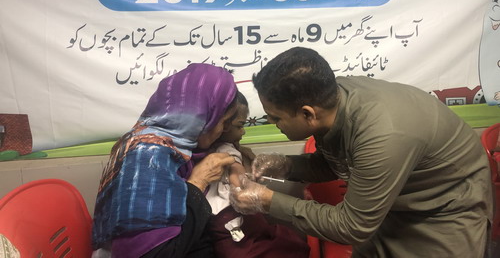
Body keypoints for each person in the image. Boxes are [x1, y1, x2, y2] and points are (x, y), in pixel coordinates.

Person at [230, 46, 494, 258]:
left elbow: (351, 227)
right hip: (391, 205)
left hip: (444, 210)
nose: (275, 126)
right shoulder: (331, 98)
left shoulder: (383, 134)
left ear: (308, 114)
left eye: (276, 119)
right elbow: (338, 162)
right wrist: (286, 165)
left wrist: (266, 200)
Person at [92, 63, 238, 258]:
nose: (224, 130)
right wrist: (197, 183)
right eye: (223, 121)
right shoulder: (147, 157)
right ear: (203, 116)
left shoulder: (172, 142)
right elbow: (156, 254)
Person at [206, 91, 310, 258]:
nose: (243, 133)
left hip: (236, 220)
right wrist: (243, 184)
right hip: (229, 223)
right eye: (239, 126)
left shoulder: (226, 149)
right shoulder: (226, 151)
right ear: (222, 124)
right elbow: (236, 172)